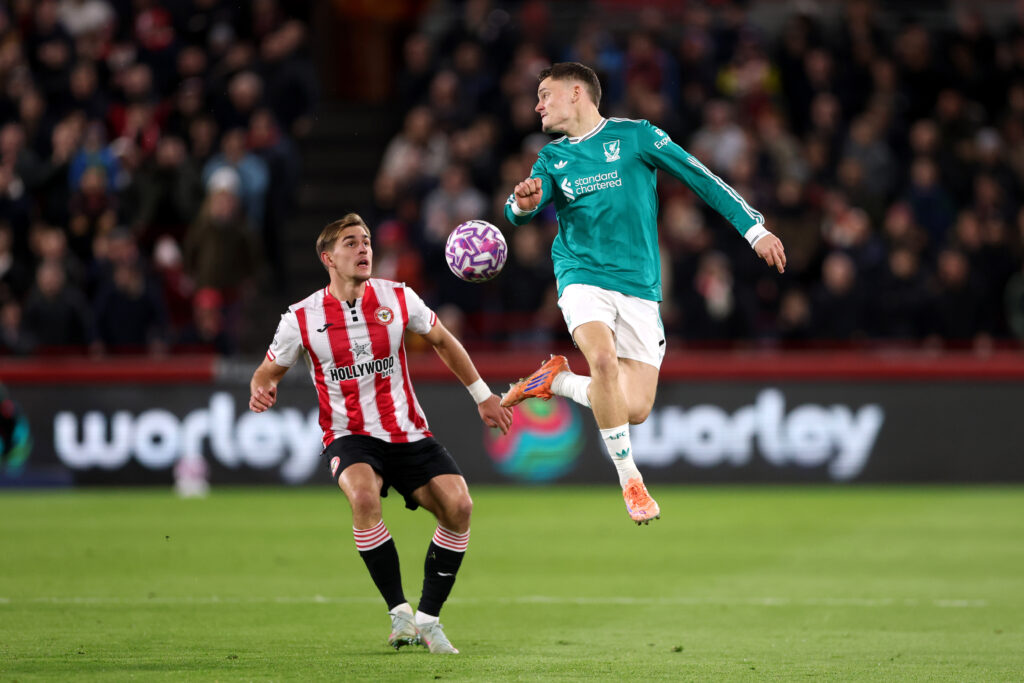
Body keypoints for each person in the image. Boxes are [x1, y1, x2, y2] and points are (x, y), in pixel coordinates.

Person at [502, 62, 786, 525]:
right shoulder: (551, 159)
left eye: (544, 94)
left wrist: (754, 230)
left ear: (576, 93)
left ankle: (558, 381)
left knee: (634, 408)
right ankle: (630, 479)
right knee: (603, 361)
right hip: (581, 276)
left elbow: (699, 177)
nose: (537, 106)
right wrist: (522, 204)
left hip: (638, 287)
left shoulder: (636, 136)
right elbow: (521, 210)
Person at [248, 213, 512, 654]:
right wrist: (262, 387)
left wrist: (483, 395)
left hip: (407, 431)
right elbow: (266, 370)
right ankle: (399, 612)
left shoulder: (398, 297)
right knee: (364, 497)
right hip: (348, 434)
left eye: (367, 241)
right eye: (351, 243)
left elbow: (443, 340)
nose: (364, 249)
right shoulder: (301, 318)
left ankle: (428, 619)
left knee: (460, 507)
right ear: (328, 258)